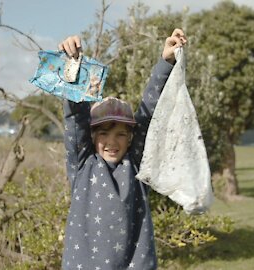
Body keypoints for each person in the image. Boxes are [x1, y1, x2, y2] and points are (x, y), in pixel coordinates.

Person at [59, 29, 187, 270]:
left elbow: (150, 111)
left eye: (120, 134)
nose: (111, 142)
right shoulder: (83, 164)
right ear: (92, 136)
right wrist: (73, 64)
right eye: (104, 133)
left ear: (130, 137)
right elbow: (75, 117)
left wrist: (166, 61)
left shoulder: (137, 164)